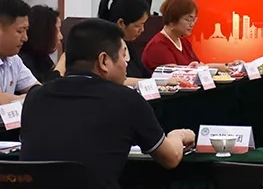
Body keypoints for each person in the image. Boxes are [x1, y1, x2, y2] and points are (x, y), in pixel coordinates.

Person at [20, 19, 195, 189]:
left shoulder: (35, 97)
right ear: (104, 61)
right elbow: (170, 158)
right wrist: (178, 135)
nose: (126, 63)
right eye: (122, 55)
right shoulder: (127, 100)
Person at [141, 0, 230, 72]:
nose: (192, 24)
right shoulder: (158, 45)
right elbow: (174, 75)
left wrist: (227, 65)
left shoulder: (184, 42)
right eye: (188, 19)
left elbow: (200, 66)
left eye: (194, 20)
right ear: (172, 19)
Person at [97, 0, 152, 78]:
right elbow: (115, 80)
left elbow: (146, 74)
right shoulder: (106, 48)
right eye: (138, 26)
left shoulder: (127, 44)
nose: (142, 30)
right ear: (121, 23)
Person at [0, 0, 39, 103]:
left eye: (26, 31)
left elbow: (37, 90)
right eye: (20, 31)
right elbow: (1, 100)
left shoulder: (13, 60)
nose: (25, 38)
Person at [18, 5, 61, 83]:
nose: (61, 37)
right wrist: (61, 65)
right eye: (57, 30)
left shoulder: (43, 58)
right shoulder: (22, 60)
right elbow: (45, 89)